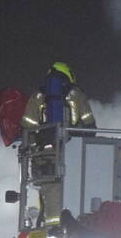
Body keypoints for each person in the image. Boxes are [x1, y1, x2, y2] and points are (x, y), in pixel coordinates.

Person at [22, 62, 96, 228]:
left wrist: (37, 145)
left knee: (49, 192)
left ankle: (51, 232)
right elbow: (90, 126)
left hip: (43, 156)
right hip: (72, 154)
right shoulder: (75, 94)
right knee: (77, 188)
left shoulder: (38, 96)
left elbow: (26, 127)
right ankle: (68, 230)